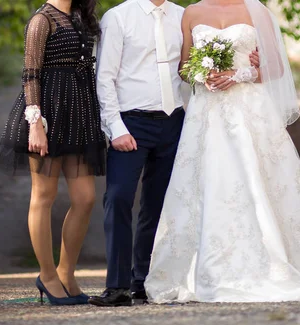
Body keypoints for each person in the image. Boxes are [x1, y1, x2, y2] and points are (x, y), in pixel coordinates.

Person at [144, 0, 300, 303]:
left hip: (249, 109)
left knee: (261, 179)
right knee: (208, 182)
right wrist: (201, 74)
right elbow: (183, 68)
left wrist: (239, 74)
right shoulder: (192, 13)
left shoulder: (256, 11)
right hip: (207, 111)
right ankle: (205, 269)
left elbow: (276, 68)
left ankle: (274, 263)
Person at [90, 0, 261, 307]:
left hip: (175, 121)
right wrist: (115, 127)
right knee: (118, 198)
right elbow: (104, 77)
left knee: (159, 206)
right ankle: (116, 285)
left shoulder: (185, 15)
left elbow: (189, 66)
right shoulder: (117, 17)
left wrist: (250, 62)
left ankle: (142, 280)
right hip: (130, 121)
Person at [0, 0, 106, 305]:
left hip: (79, 114)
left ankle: (66, 273)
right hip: (48, 114)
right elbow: (31, 74)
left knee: (85, 198)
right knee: (43, 196)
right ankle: (47, 275)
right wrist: (36, 123)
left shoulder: (79, 17)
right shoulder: (42, 20)